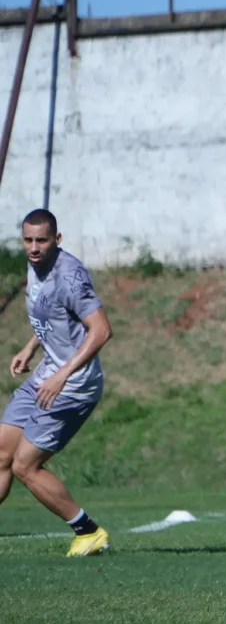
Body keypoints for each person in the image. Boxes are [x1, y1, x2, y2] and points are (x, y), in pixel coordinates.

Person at [0, 209, 113, 556]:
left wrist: (63, 375)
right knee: (2, 451)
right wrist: (31, 346)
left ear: (57, 240)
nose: (34, 248)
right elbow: (52, 314)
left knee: (24, 465)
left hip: (73, 385)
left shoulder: (70, 276)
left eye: (42, 240)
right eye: (28, 240)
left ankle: (88, 531)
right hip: (48, 372)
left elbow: (102, 330)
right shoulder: (35, 266)